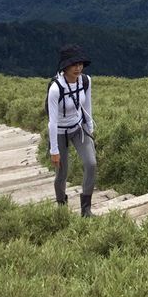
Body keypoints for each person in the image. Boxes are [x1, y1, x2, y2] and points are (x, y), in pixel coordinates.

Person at [47, 44, 97, 217]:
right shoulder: (55, 89)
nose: (78, 68)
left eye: (80, 64)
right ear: (64, 66)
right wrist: (54, 150)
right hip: (60, 132)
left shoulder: (85, 81)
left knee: (91, 164)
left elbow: (87, 106)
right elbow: (52, 122)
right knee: (62, 172)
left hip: (78, 129)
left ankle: (86, 209)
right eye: (74, 64)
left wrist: (89, 130)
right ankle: (62, 208)